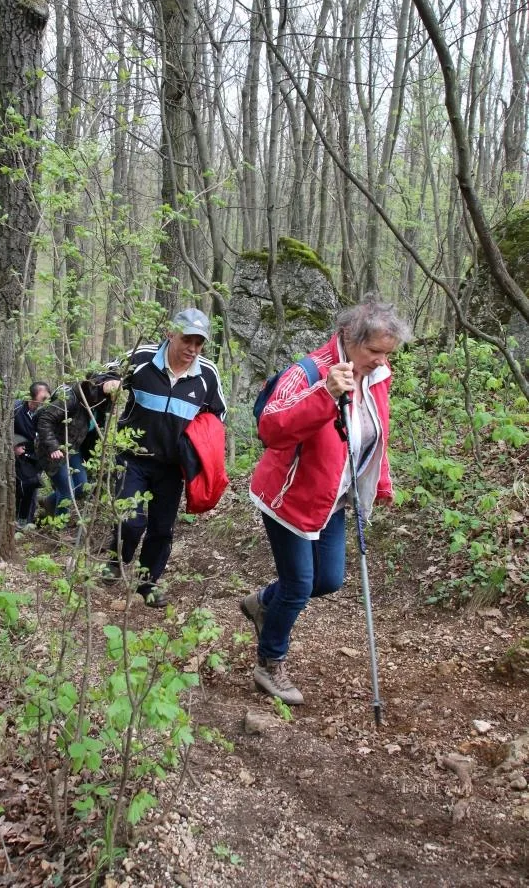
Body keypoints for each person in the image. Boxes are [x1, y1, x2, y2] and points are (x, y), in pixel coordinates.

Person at [240, 296, 412, 705]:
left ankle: (262, 603)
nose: (382, 360)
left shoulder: (377, 375)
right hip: (288, 495)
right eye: (375, 351)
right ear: (349, 337)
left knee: (328, 580)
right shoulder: (309, 371)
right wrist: (325, 394)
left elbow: (373, 432)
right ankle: (269, 662)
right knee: (299, 585)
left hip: (332, 498)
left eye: (388, 353)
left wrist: (379, 480)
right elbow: (271, 427)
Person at [101, 307, 226, 607]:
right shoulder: (143, 358)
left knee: (161, 527)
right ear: (171, 334)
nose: (192, 348)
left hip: (172, 466)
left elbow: (217, 414)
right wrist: (110, 382)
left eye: (199, 343)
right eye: (187, 340)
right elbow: (104, 372)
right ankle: (116, 560)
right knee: (131, 520)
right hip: (132, 456)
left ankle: (148, 584)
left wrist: (198, 445)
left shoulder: (207, 374)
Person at [35, 379, 106, 517]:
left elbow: (92, 435)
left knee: (81, 487)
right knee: (67, 492)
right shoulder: (71, 399)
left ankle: (49, 502)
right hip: (51, 447)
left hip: (73, 448)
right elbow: (45, 419)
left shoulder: (100, 409)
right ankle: (59, 525)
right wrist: (53, 447)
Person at [14, 382, 50, 523]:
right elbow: (1, 430)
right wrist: (13, 446)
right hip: (20, 457)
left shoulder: (46, 412)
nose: (45, 402)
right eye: (43, 398)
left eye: (47, 398)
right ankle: (20, 520)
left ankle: (27, 522)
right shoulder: (16, 409)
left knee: (33, 487)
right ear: (31, 397)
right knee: (23, 487)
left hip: (36, 458)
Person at [14, 434, 43, 528]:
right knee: (19, 490)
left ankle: (26, 522)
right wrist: (16, 444)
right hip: (19, 448)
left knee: (31, 487)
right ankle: (18, 521)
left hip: (32, 453)